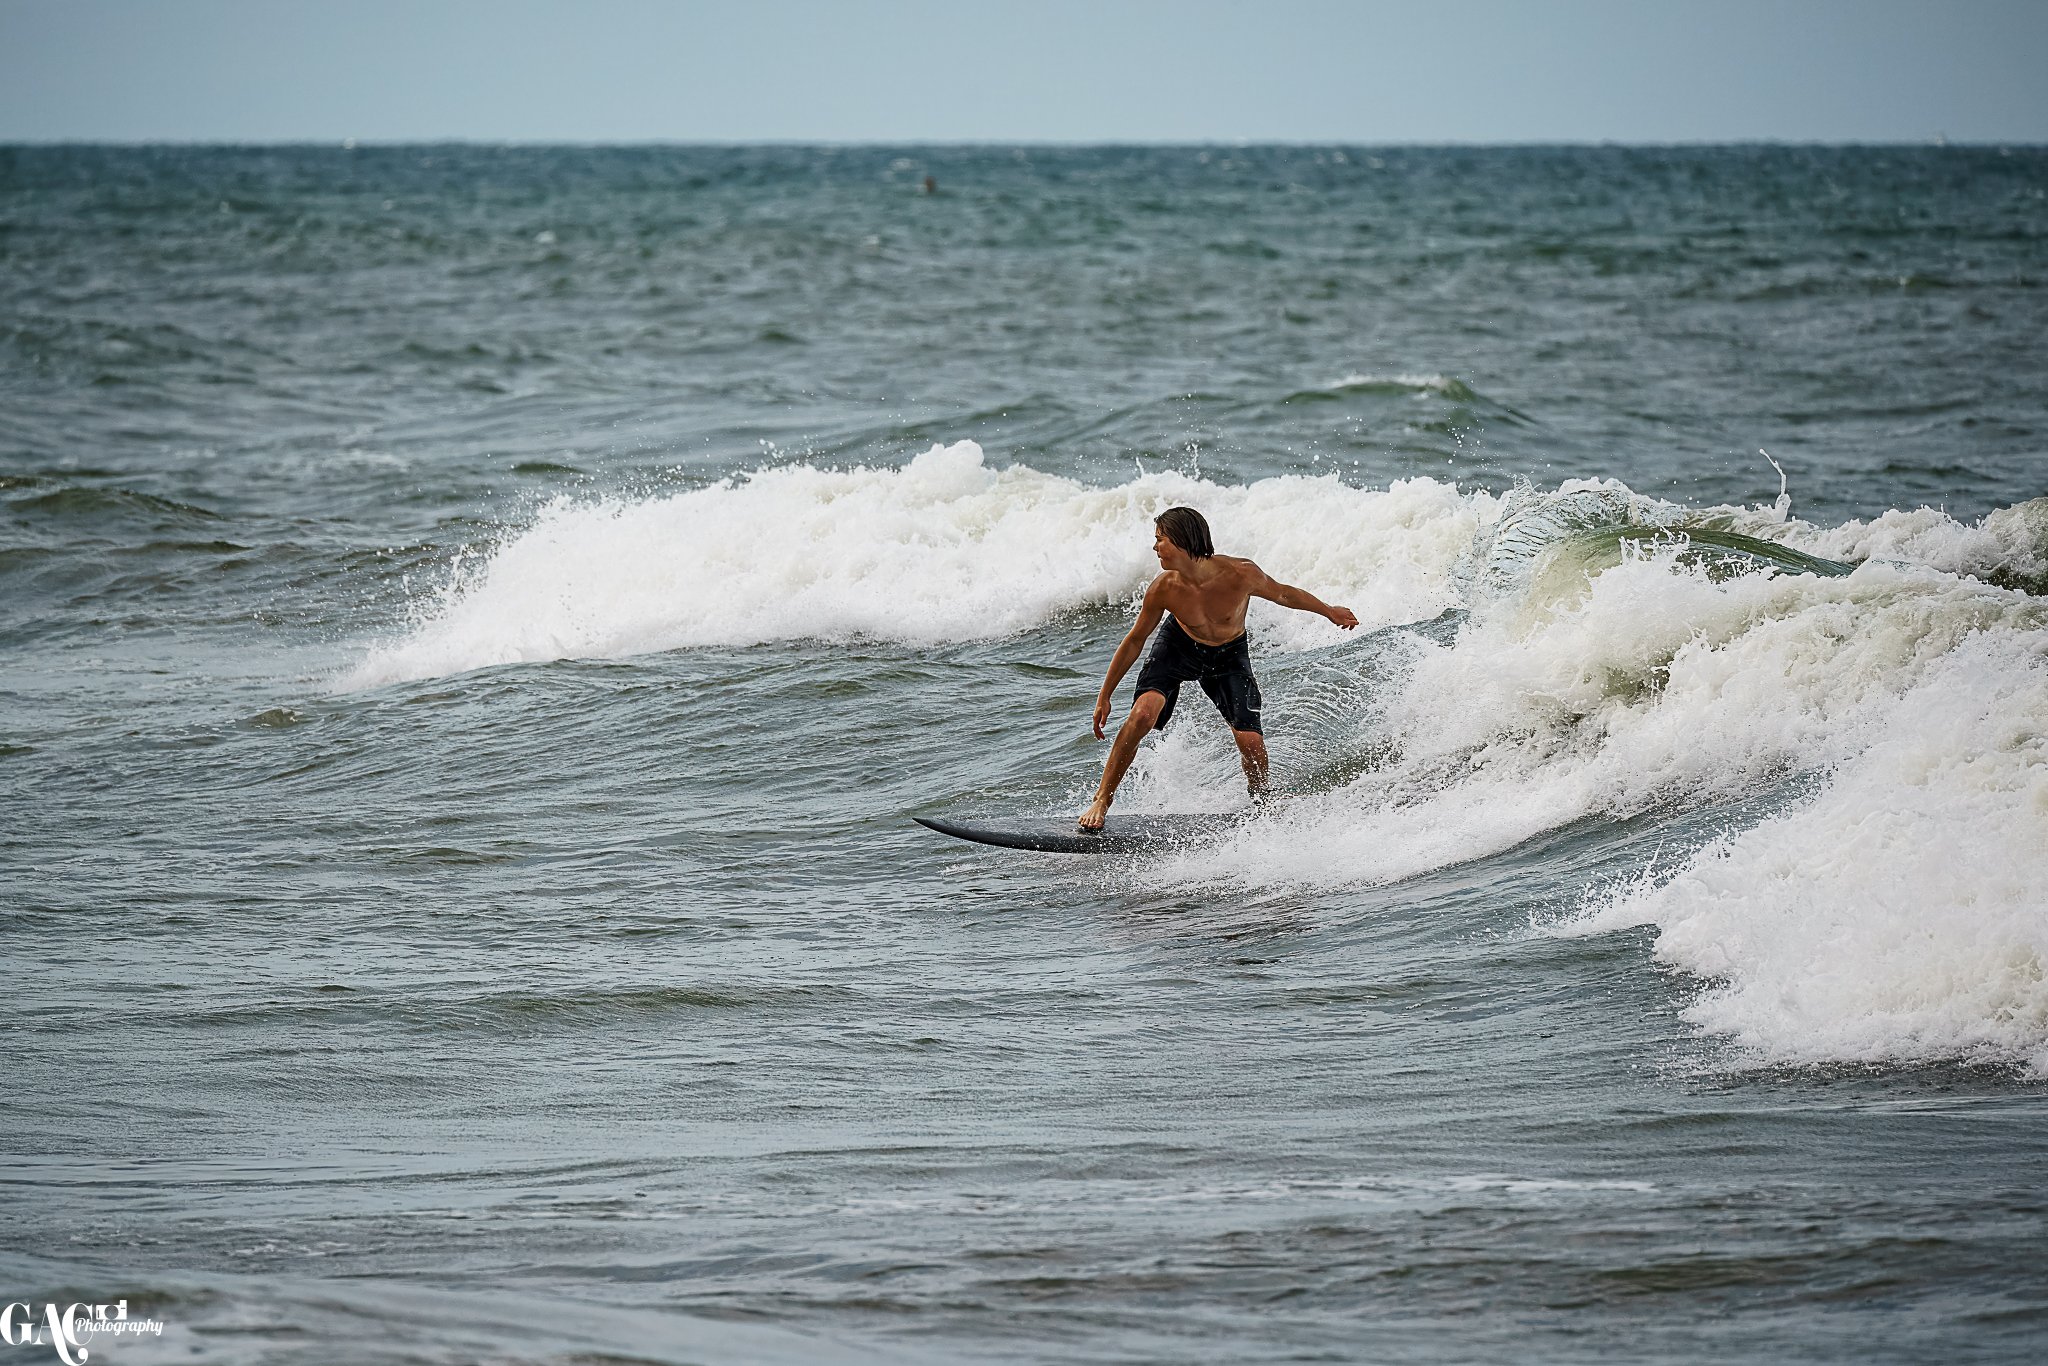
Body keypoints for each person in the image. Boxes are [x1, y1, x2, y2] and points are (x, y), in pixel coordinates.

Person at [1078, 507, 1358, 832]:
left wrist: (1329, 611)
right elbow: (1135, 640)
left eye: (1160, 540)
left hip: (1228, 655)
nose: (1155, 548)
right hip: (1178, 646)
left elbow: (1283, 593)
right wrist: (1105, 694)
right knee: (1142, 714)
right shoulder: (1163, 588)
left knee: (1251, 741)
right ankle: (1102, 799)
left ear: (1183, 540)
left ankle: (1261, 798)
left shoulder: (1241, 574)